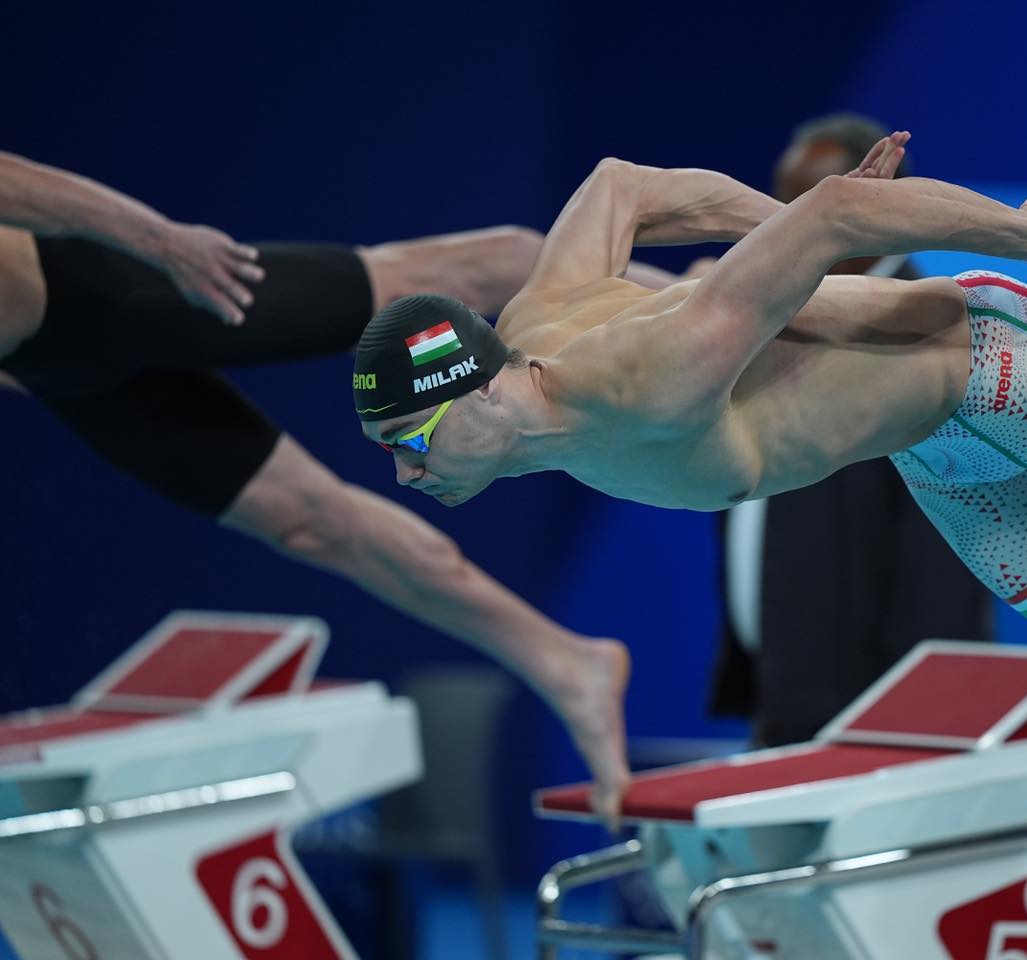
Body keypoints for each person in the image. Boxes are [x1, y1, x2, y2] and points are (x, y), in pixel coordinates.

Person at [354, 131, 1027, 818]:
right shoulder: (538, 323)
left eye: (411, 443)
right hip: (939, 448)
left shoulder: (645, 375)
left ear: (481, 391)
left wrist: (1015, 229)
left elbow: (835, 213)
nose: (407, 476)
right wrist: (781, 236)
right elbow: (620, 184)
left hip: (997, 363)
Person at [0, 151, 633, 820]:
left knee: (425, 282)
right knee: (308, 524)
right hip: (51, 364)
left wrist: (156, 239)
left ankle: (678, 300)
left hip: (92, 283)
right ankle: (565, 662)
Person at [710, 115, 992, 747]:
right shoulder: (771, 321)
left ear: (880, 209)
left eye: (804, 205)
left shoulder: (929, 339)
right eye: (779, 206)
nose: (782, 227)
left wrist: (920, 731)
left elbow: (940, 567)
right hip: (784, 699)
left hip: (876, 729)